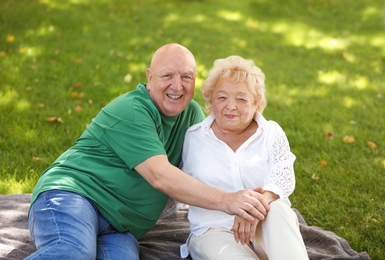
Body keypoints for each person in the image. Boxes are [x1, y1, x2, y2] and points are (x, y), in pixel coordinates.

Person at [25, 44, 270, 260]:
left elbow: (217, 167)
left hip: (121, 228)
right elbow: (160, 176)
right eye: (167, 76)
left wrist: (251, 207)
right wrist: (229, 201)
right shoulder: (132, 109)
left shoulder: (192, 116)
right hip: (74, 196)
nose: (177, 85)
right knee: (74, 252)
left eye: (187, 76)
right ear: (149, 77)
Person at [180, 55, 308, 259]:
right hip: (214, 230)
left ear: (256, 102)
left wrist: (253, 209)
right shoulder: (194, 137)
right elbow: (182, 186)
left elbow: (282, 176)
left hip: (265, 221)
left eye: (241, 98)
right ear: (211, 100)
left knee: (278, 211)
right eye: (222, 97)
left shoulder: (271, 132)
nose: (231, 106)